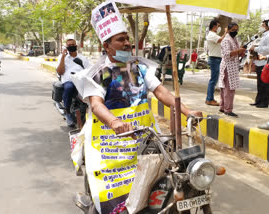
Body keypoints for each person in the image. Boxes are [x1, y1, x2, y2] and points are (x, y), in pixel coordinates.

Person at [71, 2, 203, 213]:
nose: (127, 43)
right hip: (109, 143)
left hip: (145, 139)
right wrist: (114, 122)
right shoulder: (102, 72)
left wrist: (187, 111)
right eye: (120, 39)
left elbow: (161, 92)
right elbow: (96, 104)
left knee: (157, 184)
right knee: (109, 195)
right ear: (107, 46)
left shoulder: (139, 68)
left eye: (127, 39)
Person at [56, 39, 90, 127]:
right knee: (69, 87)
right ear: (66, 47)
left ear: (76, 46)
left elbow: (89, 70)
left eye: (73, 44)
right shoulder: (62, 57)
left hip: (81, 80)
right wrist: (63, 57)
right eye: (69, 45)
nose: (71, 46)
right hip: (69, 81)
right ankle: (67, 112)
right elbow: (60, 72)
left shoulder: (82, 58)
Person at [218, 23, 246, 117]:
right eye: (233, 30)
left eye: (236, 29)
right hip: (228, 67)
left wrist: (240, 53)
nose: (235, 31)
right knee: (228, 90)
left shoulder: (234, 39)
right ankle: (228, 109)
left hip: (232, 66)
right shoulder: (226, 40)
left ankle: (223, 107)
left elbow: (235, 52)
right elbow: (226, 54)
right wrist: (239, 51)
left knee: (225, 88)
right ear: (229, 30)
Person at [205, 20, 228, 106]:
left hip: (216, 59)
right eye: (218, 26)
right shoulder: (211, 35)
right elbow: (220, 40)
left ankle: (209, 98)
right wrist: (225, 32)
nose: (219, 28)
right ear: (214, 26)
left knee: (214, 80)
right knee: (213, 81)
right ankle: (209, 99)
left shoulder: (213, 35)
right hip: (214, 59)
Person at [250, 20, 269, 108]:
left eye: (262, 25)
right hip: (258, 63)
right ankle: (258, 100)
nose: (261, 27)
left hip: (264, 63)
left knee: (264, 84)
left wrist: (266, 57)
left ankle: (264, 102)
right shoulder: (263, 36)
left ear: (267, 26)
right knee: (259, 84)